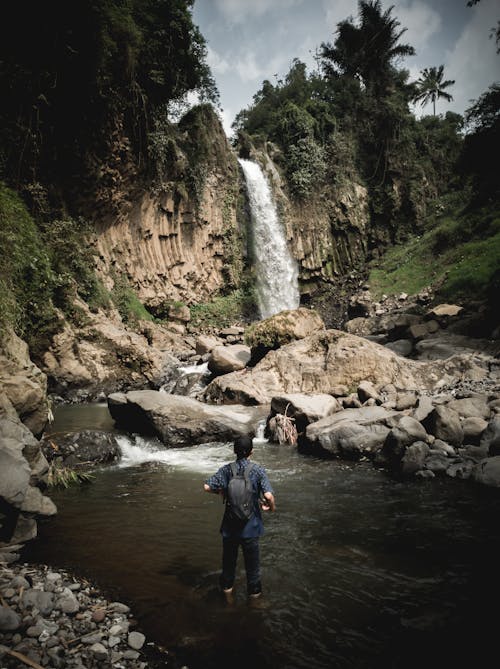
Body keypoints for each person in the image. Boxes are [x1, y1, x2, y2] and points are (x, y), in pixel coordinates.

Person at [204, 434, 275, 601]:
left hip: (230, 529)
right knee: (253, 569)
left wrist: (221, 492)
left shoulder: (227, 470)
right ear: (252, 452)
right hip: (251, 528)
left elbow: (206, 486)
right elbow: (269, 495)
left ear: (234, 451)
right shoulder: (258, 470)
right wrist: (271, 507)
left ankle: (227, 600)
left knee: (228, 566)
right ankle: (254, 604)